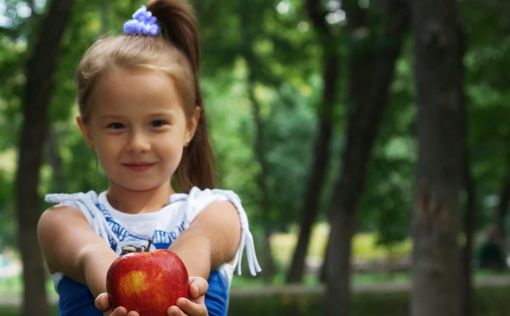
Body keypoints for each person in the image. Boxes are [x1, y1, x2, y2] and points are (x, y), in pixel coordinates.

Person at [37, 0, 261, 315]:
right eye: (116, 125)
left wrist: (159, 293)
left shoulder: (217, 213)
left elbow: (191, 255)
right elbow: (91, 256)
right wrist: (131, 296)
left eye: (157, 123)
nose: (138, 143)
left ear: (190, 125)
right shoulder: (65, 220)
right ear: (87, 131)